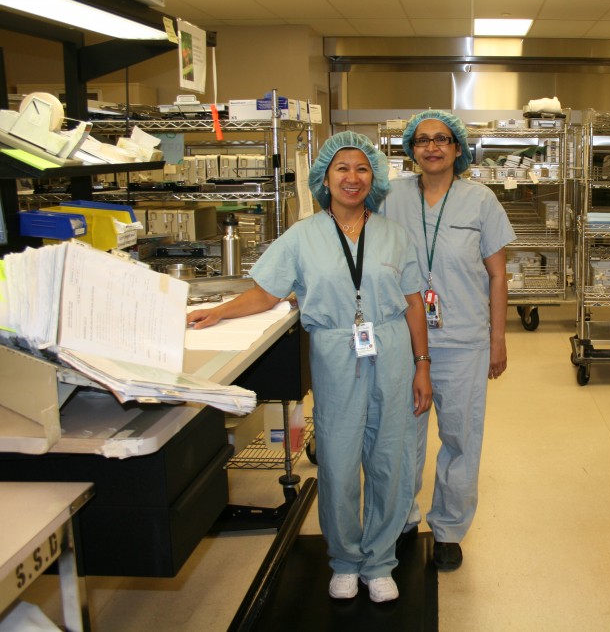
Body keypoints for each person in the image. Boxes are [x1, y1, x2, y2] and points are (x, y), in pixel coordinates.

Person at [186, 132, 432, 603]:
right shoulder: (302, 236)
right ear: (325, 178)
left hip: (394, 349)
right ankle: (344, 559)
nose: (352, 178)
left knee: (391, 459)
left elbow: (414, 302)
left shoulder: (396, 236)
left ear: (374, 179)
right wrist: (220, 312)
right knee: (339, 462)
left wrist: (423, 366)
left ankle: (380, 561)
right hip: (336, 351)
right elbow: (268, 291)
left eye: (362, 169)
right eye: (342, 169)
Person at [383, 110, 515, 571]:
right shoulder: (391, 197)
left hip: (464, 341)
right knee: (401, 438)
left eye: (442, 139)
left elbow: (498, 276)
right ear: (410, 149)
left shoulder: (481, 201)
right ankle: (400, 520)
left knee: (460, 437)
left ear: (458, 149)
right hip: (401, 338)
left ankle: (449, 529)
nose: (432, 147)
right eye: (422, 140)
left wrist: (497, 339)